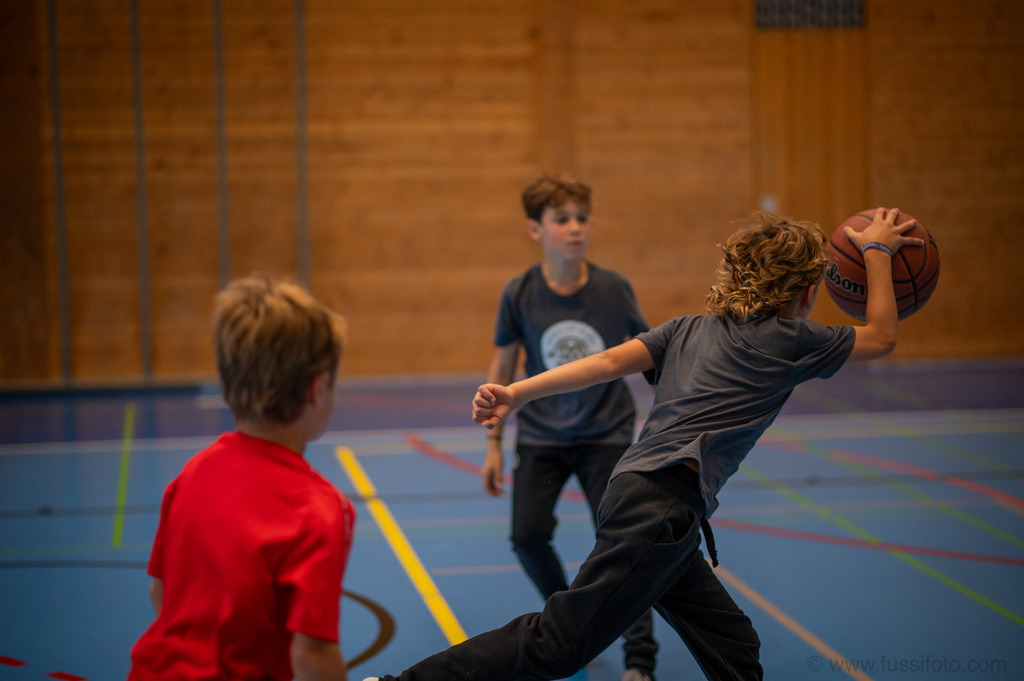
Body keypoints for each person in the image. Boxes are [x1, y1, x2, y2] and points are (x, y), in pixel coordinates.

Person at [366, 207, 923, 681]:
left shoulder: (687, 327)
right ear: (806, 290)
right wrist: (875, 251)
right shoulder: (792, 340)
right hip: (659, 508)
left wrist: (517, 390)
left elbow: (607, 362)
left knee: (733, 644)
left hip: (638, 493)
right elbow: (881, 335)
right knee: (557, 644)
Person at [128, 276, 354, 681]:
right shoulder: (320, 509)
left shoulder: (192, 474)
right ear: (318, 389)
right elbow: (313, 655)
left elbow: (160, 593)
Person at [481, 173, 657, 681]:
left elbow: (648, 353)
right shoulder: (519, 293)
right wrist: (493, 444)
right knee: (527, 536)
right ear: (536, 230)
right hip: (541, 436)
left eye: (582, 218)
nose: (575, 228)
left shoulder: (612, 289)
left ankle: (639, 659)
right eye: (562, 219)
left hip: (606, 433)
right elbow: (502, 369)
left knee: (624, 540)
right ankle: (572, 620)